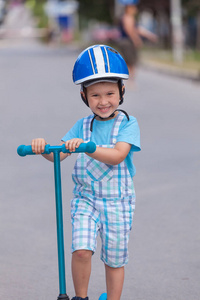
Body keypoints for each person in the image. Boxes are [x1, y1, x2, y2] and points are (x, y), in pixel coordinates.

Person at [31, 45, 141, 300]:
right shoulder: (82, 126)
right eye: (95, 96)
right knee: (81, 250)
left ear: (122, 91)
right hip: (86, 200)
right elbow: (58, 154)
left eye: (110, 93)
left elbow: (118, 156)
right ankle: (81, 298)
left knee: (114, 258)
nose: (103, 101)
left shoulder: (127, 123)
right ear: (84, 96)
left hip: (117, 202)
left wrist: (88, 147)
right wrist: (43, 148)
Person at [119, 1, 157, 80]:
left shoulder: (130, 18)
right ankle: (130, 80)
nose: (135, 9)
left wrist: (150, 35)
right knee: (130, 61)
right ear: (129, 8)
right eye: (133, 7)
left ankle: (130, 80)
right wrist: (136, 40)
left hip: (126, 42)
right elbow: (129, 30)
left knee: (130, 61)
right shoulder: (128, 17)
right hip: (127, 42)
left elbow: (138, 29)